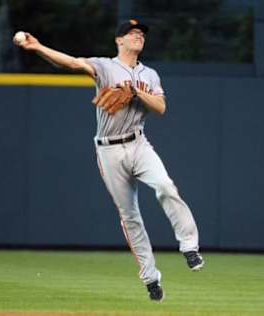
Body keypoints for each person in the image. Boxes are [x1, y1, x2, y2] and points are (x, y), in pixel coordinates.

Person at [14, 19, 204, 301]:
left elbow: (161, 107)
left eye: (141, 33)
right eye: (132, 33)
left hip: (138, 143)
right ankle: (151, 279)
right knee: (129, 216)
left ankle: (189, 246)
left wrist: (137, 92)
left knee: (165, 186)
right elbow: (72, 64)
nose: (138, 36)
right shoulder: (104, 66)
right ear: (119, 41)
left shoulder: (150, 75)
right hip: (108, 150)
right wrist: (38, 46)